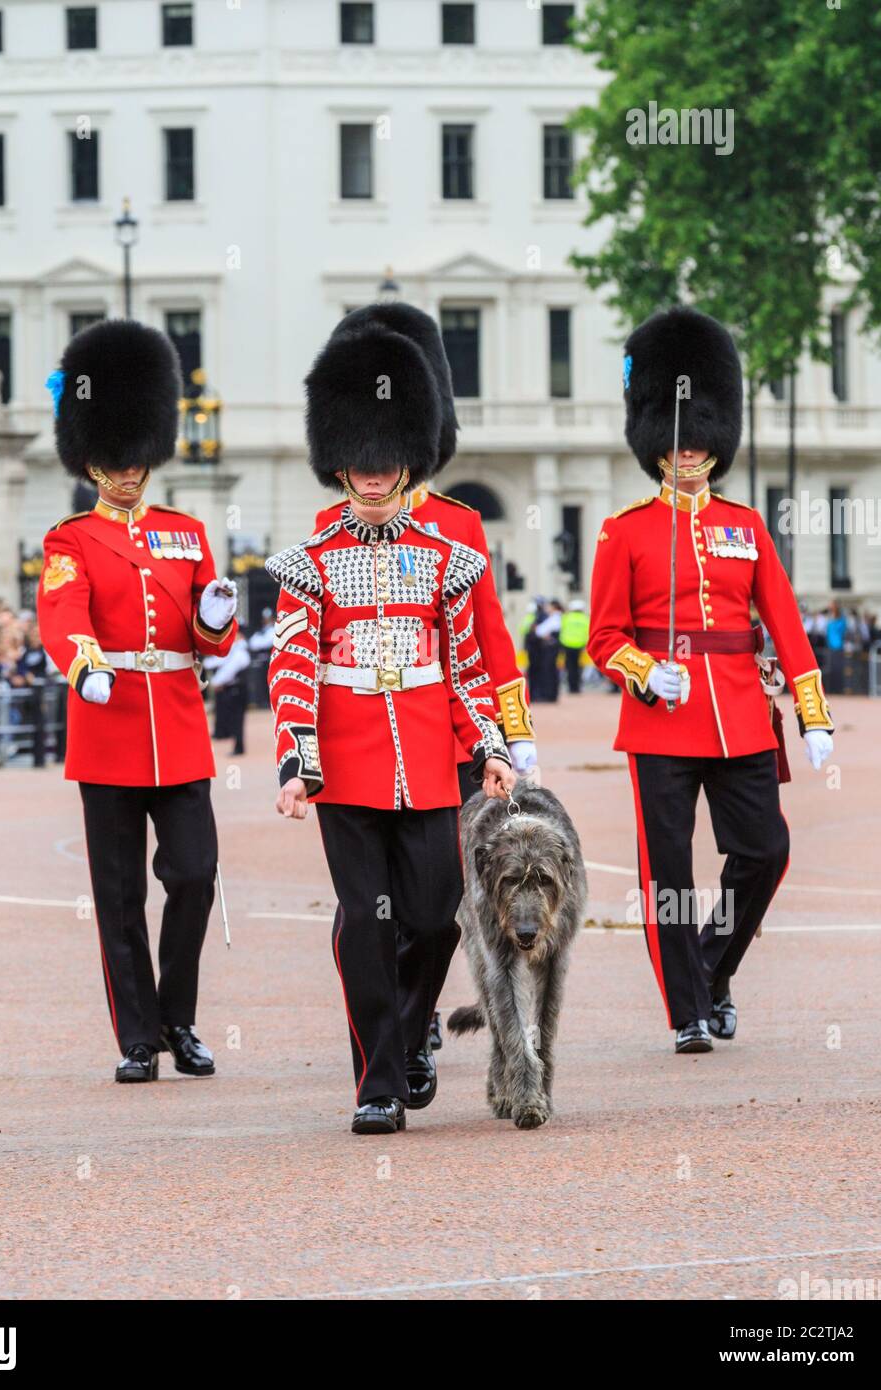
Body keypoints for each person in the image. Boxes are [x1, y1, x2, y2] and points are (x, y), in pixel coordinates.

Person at [267, 306, 516, 1135]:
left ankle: (410, 1031)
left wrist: (488, 743)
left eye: (385, 463)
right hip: (344, 762)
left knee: (432, 912)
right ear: (340, 467)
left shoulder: (449, 554)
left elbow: (466, 662)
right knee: (365, 922)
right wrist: (296, 759)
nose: (372, 476)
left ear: (405, 459)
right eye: (358, 464)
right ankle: (376, 1079)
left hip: (425, 753)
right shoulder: (310, 560)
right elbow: (294, 662)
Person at [588, 306, 834, 1054]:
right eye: (676, 440)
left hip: (737, 709)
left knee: (764, 850)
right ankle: (686, 1010)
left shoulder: (745, 525)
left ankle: (709, 968)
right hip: (661, 717)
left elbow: (784, 624)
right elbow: (602, 636)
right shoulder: (622, 530)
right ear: (653, 444)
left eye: (700, 440)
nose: (687, 452)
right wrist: (640, 670)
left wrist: (813, 712)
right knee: (668, 872)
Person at [310, 303, 537, 1051]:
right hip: (367, 734)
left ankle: (411, 1010)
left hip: (449, 737)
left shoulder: (462, 523)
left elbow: (486, 641)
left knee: (434, 901)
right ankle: (390, 1034)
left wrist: (511, 733)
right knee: (369, 902)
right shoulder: (330, 527)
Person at [37, 319, 238, 1084]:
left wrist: (215, 618)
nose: (126, 472)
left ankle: (178, 1016)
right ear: (91, 464)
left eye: (135, 459)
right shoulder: (71, 540)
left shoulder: (185, 534)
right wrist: (83, 664)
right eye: (112, 461)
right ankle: (137, 1035)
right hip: (109, 725)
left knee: (192, 876)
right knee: (119, 896)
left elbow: (207, 638)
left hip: (178, 728)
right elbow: (64, 613)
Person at [207, 624, 251, 756]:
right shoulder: (236, 650)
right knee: (234, 718)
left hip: (237, 689)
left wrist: (215, 682)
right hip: (233, 689)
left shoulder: (240, 652)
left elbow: (229, 671)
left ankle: (239, 748)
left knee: (238, 720)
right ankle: (235, 744)